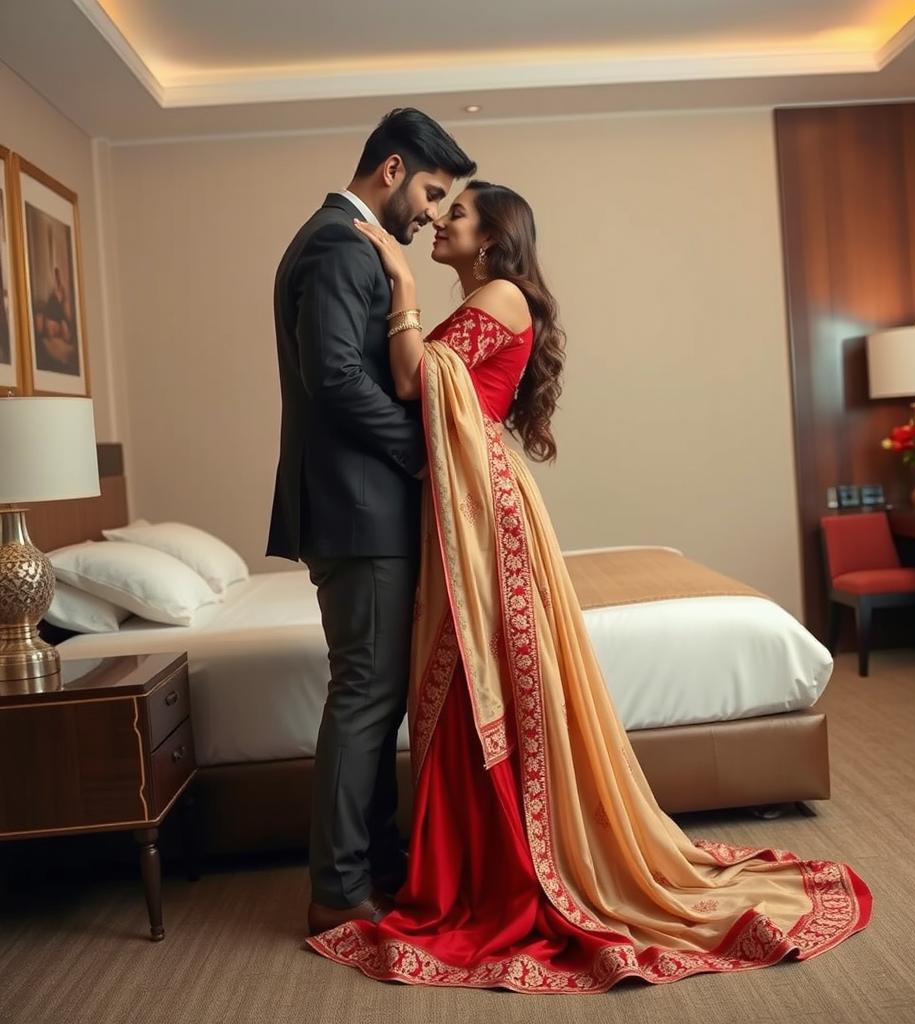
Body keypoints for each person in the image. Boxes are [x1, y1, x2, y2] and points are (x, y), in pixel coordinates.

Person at [306, 181, 873, 993]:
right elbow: (425, 380)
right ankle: (478, 858)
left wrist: (398, 286)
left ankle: (508, 860)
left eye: (456, 213)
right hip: (471, 501)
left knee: (495, 674)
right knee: (477, 681)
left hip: (484, 508)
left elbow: (408, 381)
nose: (439, 221)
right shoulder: (493, 295)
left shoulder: (500, 292)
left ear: (496, 239)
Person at [266, 109, 476, 936]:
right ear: (391, 170)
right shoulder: (338, 244)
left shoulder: (344, 244)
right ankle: (338, 889)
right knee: (364, 697)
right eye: (429, 192)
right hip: (360, 512)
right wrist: (429, 452)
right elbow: (339, 382)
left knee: (375, 696)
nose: (429, 213)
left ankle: (375, 864)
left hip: (360, 508)